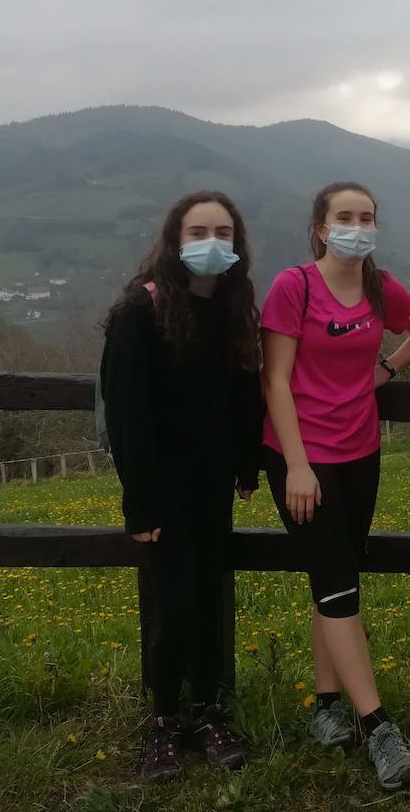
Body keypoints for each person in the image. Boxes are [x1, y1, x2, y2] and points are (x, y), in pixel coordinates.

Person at [260, 182, 410, 791]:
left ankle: (326, 708)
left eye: (367, 217)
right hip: (300, 455)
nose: (357, 226)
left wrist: (390, 368)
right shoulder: (293, 287)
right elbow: (276, 381)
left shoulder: (382, 289)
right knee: (336, 584)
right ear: (321, 227)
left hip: (361, 451)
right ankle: (377, 724)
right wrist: (298, 466)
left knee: (337, 578)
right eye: (345, 217)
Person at [100, 191, 263, 783]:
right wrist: (140, 500)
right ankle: (164, 721)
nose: (212, 243)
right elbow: (126, 415)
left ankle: (209, 713)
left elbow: (245, 393)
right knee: (178, 603)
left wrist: (248, 467)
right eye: (198, 232)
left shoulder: (234, 308)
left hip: (213, 485)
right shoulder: (138, 314)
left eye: (223, 232)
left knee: (212, 597)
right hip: (162, 488)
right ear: (174, 241)